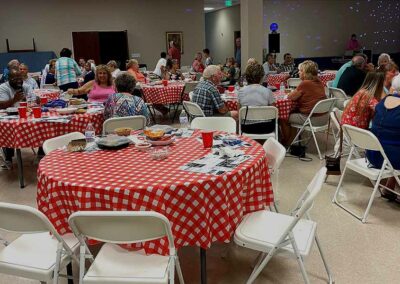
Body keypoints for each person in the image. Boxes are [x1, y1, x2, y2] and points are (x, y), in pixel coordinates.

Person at [280, 60, 327, 145]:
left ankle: (286, 142)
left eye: (300, 71)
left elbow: (291, 97)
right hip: (324, 118)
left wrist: (289, 94)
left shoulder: (305, 84)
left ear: (305, 73)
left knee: (283, 117)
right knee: (292, 112)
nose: (298, 72)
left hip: (311, 119)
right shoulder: (319, 81)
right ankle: (293, 140)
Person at [366, 92, 400, 202]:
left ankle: (389, 188)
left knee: (392, 141)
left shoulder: (383, 101)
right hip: (390, 159)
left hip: (372, 154)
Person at [0, 70, 30, 169]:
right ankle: (8, 158)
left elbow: (32, 99)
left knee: (43, 123)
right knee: (9, 127)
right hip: (8, 116)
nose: (18, 81)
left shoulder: (25, 86)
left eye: (20, 78)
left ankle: (41, 154)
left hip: (25, 115)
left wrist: (34, 99)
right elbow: (1, 105)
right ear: (8, 79)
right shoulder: (3, 87)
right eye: (15, 78)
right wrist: (14, 99)